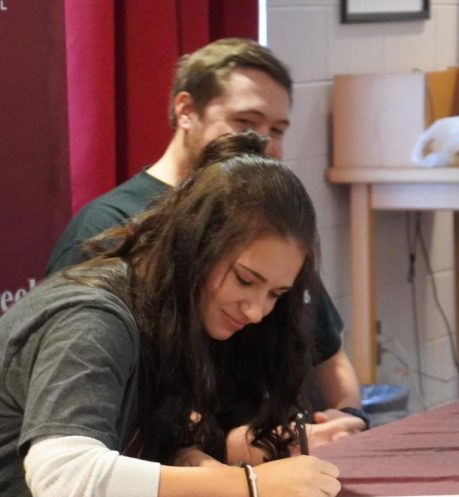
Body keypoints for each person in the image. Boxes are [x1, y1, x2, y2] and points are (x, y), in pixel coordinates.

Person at [0, 132, 342, 497]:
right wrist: (247, 487)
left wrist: (192, 459)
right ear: (194, 246)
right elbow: (64, 482)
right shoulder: (92, 318)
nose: (258, 310)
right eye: (245, 280)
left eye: (276, 294)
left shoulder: (179, 312)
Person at [47, 38, 369, 432]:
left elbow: (328, 352)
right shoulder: (109, 228)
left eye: (277, 129)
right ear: (186, 110)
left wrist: (348, 419)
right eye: (245, 123)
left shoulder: (274, 217)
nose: (263, 144)